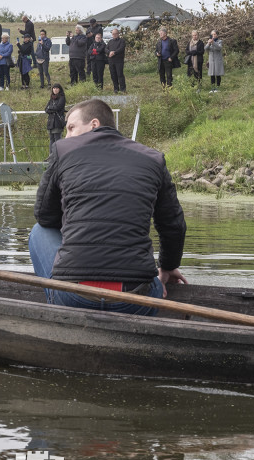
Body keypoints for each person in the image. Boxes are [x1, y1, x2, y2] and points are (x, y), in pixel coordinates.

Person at [30, 98, 187, 315]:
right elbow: (173, 226)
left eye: (71, 128)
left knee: (39, 231)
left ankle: (57, 308)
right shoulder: (154, 159)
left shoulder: (63, 150)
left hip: (72, 295)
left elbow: (45, 217)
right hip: (136, 299)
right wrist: (168, 266)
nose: (66, 136)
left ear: (94, 124)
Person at [45, 83, 66, 151]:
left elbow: (58, 107)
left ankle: (58, 156)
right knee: (51, 139)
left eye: (56, 88)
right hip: (51, 122)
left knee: (57, 140)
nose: (55, 90)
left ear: (59, 89)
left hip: (58, 121)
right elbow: (46, 109)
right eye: (54, 88)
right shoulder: (51, 98)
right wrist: (51, 109)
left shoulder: (62, 97)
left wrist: (50, 108)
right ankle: (51, 156)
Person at [106, 28, 127, 93]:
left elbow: (121, 48)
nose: (114, 35)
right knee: (113, 75)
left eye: (115, 34)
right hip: (111, 61)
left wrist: (114, 52)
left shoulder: (121, 41)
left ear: (118, 34)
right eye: (113, 34)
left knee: (120, 74)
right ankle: (116, 89)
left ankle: (123, 89)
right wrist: (109, 52)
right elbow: (106, 48)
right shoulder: (110, 41)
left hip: (119, 60)